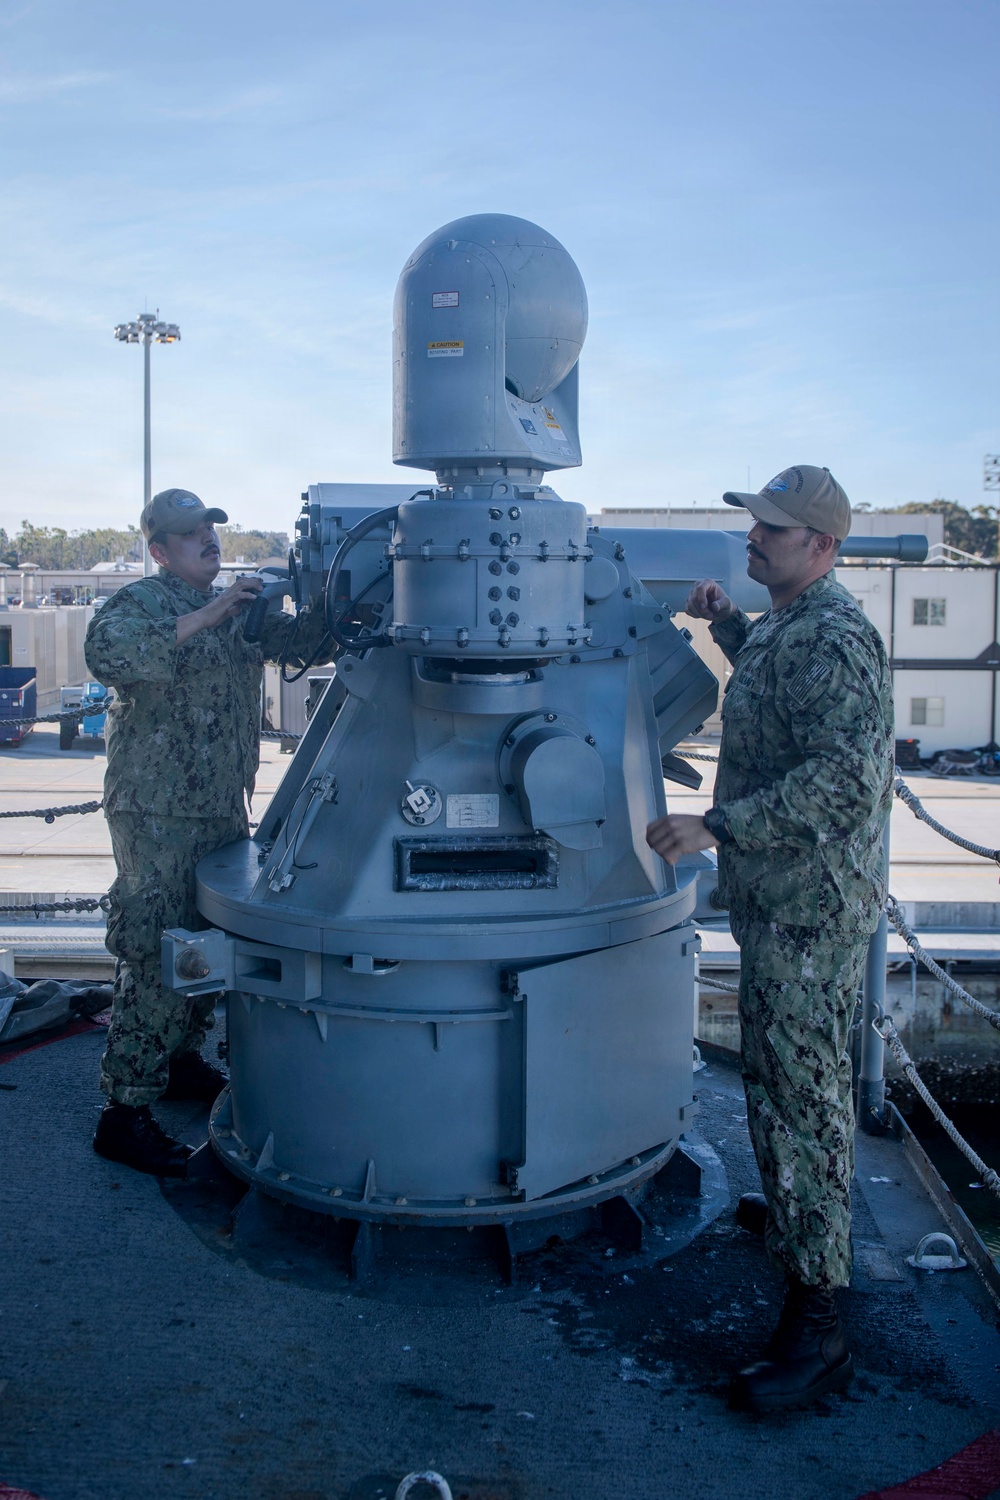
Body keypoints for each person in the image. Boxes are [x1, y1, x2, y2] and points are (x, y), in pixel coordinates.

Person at [646, 465, 893, 1413]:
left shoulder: (834, 636)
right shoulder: (792, 624)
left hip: (808, 910)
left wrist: (720, 826)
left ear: (823, 547)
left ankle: (818, 1324)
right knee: (788, 1086)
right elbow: (781, 692)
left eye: (774, 531)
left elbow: (846, 783)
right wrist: (729, 628)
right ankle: (802, 1223)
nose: (754, 540)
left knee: (804, 1099)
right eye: (753, 525)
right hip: (783, 899)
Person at [85, 488, 331, 1178]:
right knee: (157, 951)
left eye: (211, 532)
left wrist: (325, 598)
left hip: (222, 810)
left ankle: (181, 1060)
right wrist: (214, 611)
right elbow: (112, 657)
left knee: (204, 945)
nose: (209, 543)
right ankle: (124, 1112)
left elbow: (308, 645)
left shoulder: (238, 614)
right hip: (156, 813)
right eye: (192, 535)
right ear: (160, 550)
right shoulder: (140, 606)